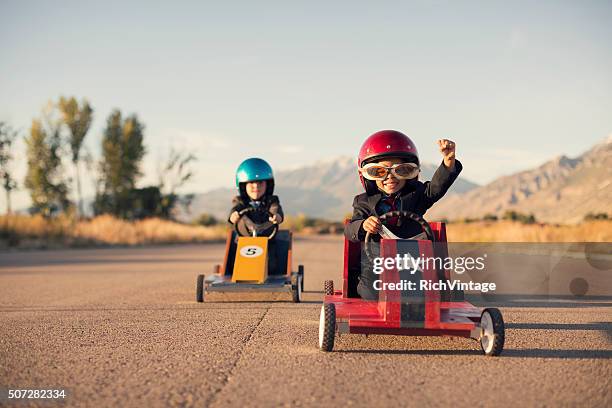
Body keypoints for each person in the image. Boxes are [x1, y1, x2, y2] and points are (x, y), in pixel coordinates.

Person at [345, 130, 462, 300]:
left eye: (401, 170)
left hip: (414, 260)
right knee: (369, 293)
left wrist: (448, 162)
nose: (390, 177)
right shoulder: (363, 201)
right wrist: (363, 225)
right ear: (368, 175)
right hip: (376, 262)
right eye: (379, 172)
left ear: (411, 172)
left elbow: (436, 188)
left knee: (429, 290)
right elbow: (350, 230)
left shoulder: (417, 195)